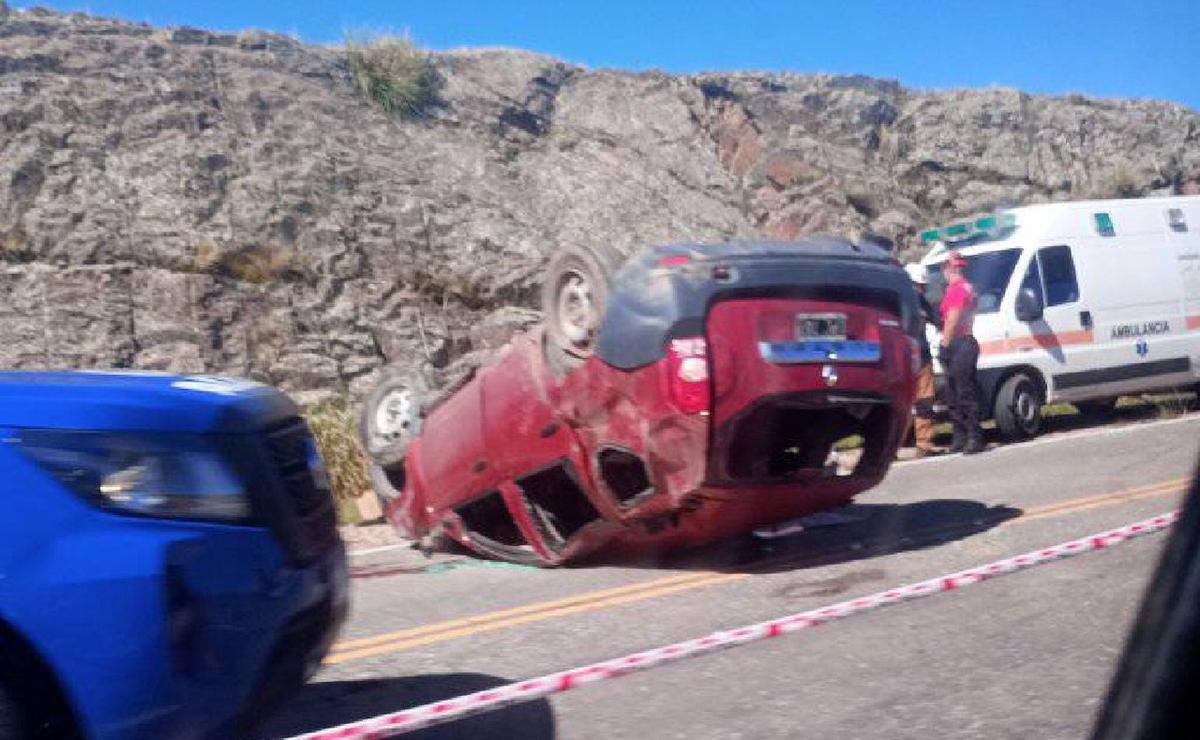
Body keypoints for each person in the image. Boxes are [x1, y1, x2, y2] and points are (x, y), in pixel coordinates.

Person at [939, 251, 986, 455]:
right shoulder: (965, 288)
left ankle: (974, 436)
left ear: (947, 269)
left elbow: (953, 318)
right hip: (963, 342)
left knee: (964, 392)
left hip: (960, 342)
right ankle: (960, 436)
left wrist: (945, 344)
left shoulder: (957, 290)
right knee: (953, 393)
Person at [903, 263, 942, 457]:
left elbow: (938, 320)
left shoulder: (923, 302)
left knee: (924, 401)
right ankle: (890, 446)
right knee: (902, 402)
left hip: (922, 357)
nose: (921, 289)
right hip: (904, 358)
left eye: (922, 286)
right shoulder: (898, 301)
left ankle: (924, 443)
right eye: (919, 285)